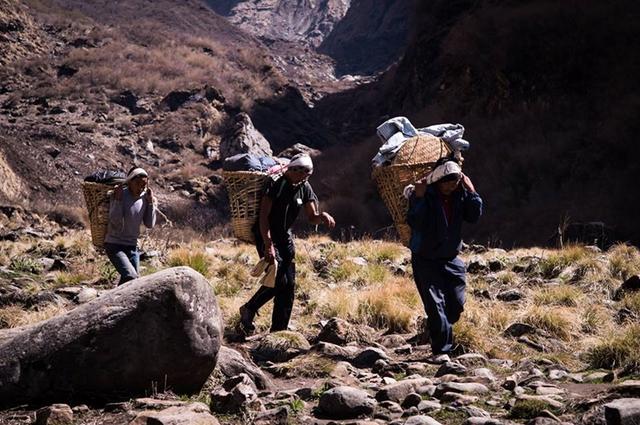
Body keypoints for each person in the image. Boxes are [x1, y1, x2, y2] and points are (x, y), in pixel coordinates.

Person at [239, 153, 335, 334]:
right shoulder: (277, 184)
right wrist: (268, 245)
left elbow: (311, 217)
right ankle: (249, 308)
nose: (306, 176)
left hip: (285, 238)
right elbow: (263, 217)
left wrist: (322, 216)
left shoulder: (304, 187)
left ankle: (278, 331)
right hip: (266, 236)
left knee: (289, 285)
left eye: (308, 173)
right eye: (303, 172)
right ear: (293, 170)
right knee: (279, 281)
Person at [406, 158, 482, 360]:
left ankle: (436, 330)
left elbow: (473, 216)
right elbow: (415, 221)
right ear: (438, 181)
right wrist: (420, 198)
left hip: (451, 258)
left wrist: (472, 192)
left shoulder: (460, 194)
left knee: (456, 304)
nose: (452, 186)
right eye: (448, 182)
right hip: (425, 258)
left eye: (455, 182)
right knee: (435, 304)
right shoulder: (424, 195)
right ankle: (442, 351)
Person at [104, 167, 157, 285]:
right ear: (130, 182)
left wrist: (150, 203)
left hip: (132, 246)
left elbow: (149, 224)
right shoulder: (119, 194)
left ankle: (115, 300)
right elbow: (115, 222)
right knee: (131, 276)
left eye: (144, 185)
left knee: (132, 282)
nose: (141, 188)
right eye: (138, 184)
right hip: (114, 245)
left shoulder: (145, 198)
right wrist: (117, 201)